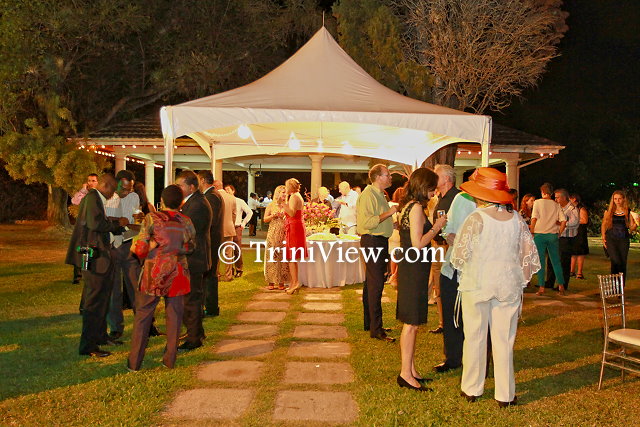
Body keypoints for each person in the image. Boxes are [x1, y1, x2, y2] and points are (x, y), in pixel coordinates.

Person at [450, 167, 540, 408]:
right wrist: (518, 276)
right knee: (504, 340)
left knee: (475, 336)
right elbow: (528, 255)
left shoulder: (476, 218)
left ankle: (472, 388)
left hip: (477, 283)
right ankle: (505, 394)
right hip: (507, 284)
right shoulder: (517, 219)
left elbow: (459, 256)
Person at [127, 185, 195, 370]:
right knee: (175, 317)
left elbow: (141, 247)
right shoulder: (186, 221)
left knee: (143, 316)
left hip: (154, 271)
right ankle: (169, 360)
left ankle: (134, 362)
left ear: (162, 201)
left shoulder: (152, 218)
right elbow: (191, 246)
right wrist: (176, 248)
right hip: (178, 271)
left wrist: (141, 247)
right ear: (181, 203)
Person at [65, 174, 129, 357]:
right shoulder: (93, 198)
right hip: (94, 258)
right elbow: (96, 223)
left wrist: (115, 222)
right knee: (94, 303)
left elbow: (98, 220)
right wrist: (117, 223)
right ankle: (88, 346)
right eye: (114, 189)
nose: (114, 193)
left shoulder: (96, 198)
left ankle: (100, 336)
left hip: (100, 258)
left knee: (102, 300)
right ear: (106, 186)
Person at [395, 168, 447, 392]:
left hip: (412, 267)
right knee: (411, 323)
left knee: (413, 324)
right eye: (432, 188)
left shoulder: (408, 206)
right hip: (414, 268)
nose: (434, 192)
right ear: (423, 186)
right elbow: (418, 243)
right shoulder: (415, 208)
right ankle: (405, 374)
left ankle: (411, 369)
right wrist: (437, 226)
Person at [433, 185, 477, 373]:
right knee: (452, 313)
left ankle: (474, 357)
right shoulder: (462, 198)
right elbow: (447, 227)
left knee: (475, 317)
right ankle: (453, 357)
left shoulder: (497, 208)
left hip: (478, 271)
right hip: (454, 268)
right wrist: (448, 235)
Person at [356, 164, 397, 342]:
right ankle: (376, 329)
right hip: (373, 241)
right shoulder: (368, 195)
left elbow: (379, 219)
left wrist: (392, 222)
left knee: (371, 284)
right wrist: (390, 213)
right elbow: (368, 222)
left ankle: (371, 323)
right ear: (378, 177)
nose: (390, 178)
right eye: (387, 175)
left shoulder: (379, 194)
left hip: (379, 240)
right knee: (376, 284)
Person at [176, 170, 212, 351]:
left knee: (191, 300)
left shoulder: (197, 204)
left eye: (180, 185)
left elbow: (188, 233)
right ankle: (196, 332)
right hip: (195, 257)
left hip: (194, 258)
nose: (178, 189)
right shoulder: (193, 201)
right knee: (192, 298)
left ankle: (194, 338)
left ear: (191, 187)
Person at [107, 170, 141, 341]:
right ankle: (116, 327)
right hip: (111, 247)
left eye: (130, 189)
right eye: (124, 188)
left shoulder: (134, 197)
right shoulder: (107, 197)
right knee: (114, 290)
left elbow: (135, 223)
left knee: (136, 287)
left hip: (128, 246)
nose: (127, 192)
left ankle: (144, 324)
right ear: (117, 184)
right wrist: (117, 221)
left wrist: (133, 221)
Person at [429, 164, 460, 336]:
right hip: (438, 246)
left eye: (437, 176)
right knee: (438, 286)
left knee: (449, 286)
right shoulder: (440, 198)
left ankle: (451, 322)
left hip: (450, 248)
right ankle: (443, 322)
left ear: (447, 179)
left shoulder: (457, 198)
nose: (434, 179)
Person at [530, 183, 566, 296]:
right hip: (552, 235)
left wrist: (531, 231)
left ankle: (541, 287)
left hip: (539, 235)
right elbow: (563, 221)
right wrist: (559, 232)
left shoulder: (537, 202)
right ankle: (561, 285)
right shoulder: (556, 204)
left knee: (540, 261)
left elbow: (534, 218)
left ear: (543, 192)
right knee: (556, 261)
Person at [198, 171, 224, 317]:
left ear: (202, 180)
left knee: (210, 274)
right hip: (213, 239)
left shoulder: (212, 196)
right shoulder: (212, 194)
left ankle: (211, 307)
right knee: (210, 273)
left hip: (212, 239)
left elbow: (211, 220)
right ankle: (210, 306)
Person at [545, 189, 579, 291]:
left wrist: (562, 223)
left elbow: (575, 222)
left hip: (566, 239)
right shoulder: (557, 207)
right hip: (555, 236)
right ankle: (549, 282)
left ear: (564, 197)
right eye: (555, 197)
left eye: (557, 197)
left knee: (564, 262)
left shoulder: (572, 209)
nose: (555, 199)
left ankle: (562, 285)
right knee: (551, 260)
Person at [601, 190, 638, 278]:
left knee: (622, 262)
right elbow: (604, 224)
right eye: (615, 199)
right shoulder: (609, 211)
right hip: (611, 238)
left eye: (619, 199)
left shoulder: (628, 212)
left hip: (623, 239)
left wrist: (636, 224)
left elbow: (631, 227)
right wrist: (603, 237)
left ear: (623, 199)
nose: (617, 201)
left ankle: (621, 283)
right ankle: (614, 282)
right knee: (615, 260)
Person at [70, 173, 99, 284]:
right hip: (82, 225)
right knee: (79, 248)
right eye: (89, 181)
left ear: (98, 182)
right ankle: (77, 275)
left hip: (93, 225)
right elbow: (74, 201)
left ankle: (89, 273)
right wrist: (83, 190)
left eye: (93, 181)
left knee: (90, 249)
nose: (90, 183)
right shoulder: (84, 193)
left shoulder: (99, 194)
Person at [263, 185, 290, 290]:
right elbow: (265, 219)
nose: (285, 194)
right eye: (283, 192)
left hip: (284, 232)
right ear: (278, 193)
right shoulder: (271, 205)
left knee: (282, 257)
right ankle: (271, 281)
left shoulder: (287, 205)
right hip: (273, 232)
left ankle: (281, 281)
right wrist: (273, 216)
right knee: (272, 255)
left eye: (286, 192)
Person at [282, 178, 307, 295]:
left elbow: (291, 213)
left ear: (291, 187)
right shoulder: (297, 196)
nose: (285, 188)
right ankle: (293, 282)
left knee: (291, 257)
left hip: (294, 227)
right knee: (293, 257)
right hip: (296, 225)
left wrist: (282, 203)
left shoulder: (294, 197)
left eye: (286, 186)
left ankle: (295, 282)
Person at [225, 184, 253, 278]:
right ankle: (230, 270)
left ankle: (239, 269)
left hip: (237, 227)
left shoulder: (239, 201)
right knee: (228, 249)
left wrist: (243, 223)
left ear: (233, 191)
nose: (227, 192)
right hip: (228, 227)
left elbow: (249, 212)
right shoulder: (225, 202)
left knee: (237, 249)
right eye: (225, 190)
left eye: (228, 190)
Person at [214, 180, 237, 282]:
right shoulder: (231, 198)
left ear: (215, 186)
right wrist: (231, 224)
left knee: (216, 253)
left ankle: (217, 274)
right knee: (229, 254)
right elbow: (234, 214)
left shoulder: (214, 197)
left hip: (217, 229)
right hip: (229, 228)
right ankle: (228, 275)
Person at [387, 185, 405, 287]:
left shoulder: (389, 205)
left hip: (391, 233)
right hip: (398, 233)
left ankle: (392, 274)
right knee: (399, 256)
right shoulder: (401, 207)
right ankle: (395, 276)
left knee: (393, 256)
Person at [569, 194, 589, 279]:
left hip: (580, 233)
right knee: (573, 252)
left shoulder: (581, 208)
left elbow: (584, 220)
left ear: (574, 199)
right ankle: (571, 271)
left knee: (580, 252)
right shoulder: (571, 208)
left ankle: (579, 273)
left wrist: (574, 221)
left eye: (569, 199)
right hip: (573, 232)